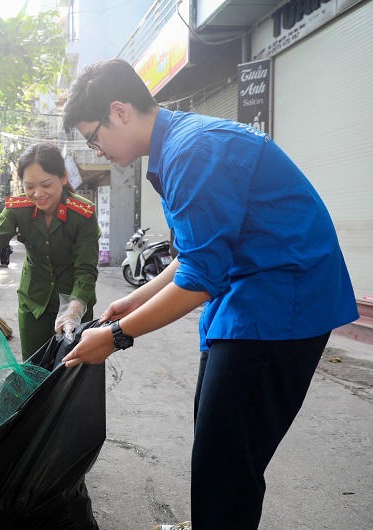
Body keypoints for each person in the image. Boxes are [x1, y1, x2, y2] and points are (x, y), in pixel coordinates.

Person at [59, 59, 359, 529]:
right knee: (219, 444)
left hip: (279, 306)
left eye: (94, 137)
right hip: (251, 296)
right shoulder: (178, 146)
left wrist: (116, 337)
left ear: (119, 112)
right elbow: (195, 253)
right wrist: (135, 300)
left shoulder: (192, 151)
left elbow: (200, 278)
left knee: (227, 461)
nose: (98, 149)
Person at [0, 142, 100, 360]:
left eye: (46, 184)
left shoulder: (83, 213)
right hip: (33, 301)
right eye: (29, 186)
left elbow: (86, 268)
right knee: (34, 366)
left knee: (72, 367)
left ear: (63, 177)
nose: (38, 194)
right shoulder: (19, 208)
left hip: (76, 298)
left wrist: (75, 308)